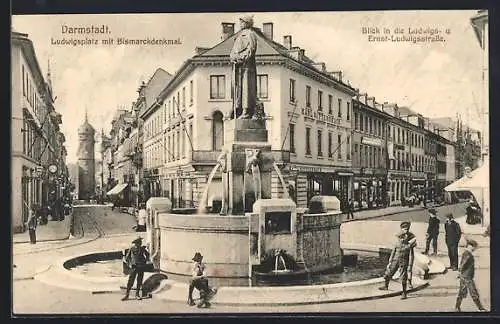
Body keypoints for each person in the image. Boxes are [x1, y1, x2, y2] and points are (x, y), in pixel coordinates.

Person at [379, 223, 416, 299]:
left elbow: (411, 254)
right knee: (388, 273)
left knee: (403, 277)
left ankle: (404, 293)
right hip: (395, 260)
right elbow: (393, 252)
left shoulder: (409, 245)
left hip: (404, 261)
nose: (402, 238)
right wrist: (390, 262)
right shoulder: (397, 243)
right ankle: (386, 286)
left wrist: (410, 264)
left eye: (404, 237)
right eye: (401, 237)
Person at [230, 15, 258, 119]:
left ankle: (246, 111)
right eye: (240, 22)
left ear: (247, 23)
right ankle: (240, 109)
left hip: (247, 66)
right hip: (238, 67)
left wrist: (240, 58)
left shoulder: (250, 34)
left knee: (247, 88)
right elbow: (233, 51)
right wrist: (233, 57)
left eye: (242, 22)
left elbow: (251, 50)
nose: (240, 24)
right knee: (238, 89)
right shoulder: (239, 36)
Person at [454, 239, 486, 312]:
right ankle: (480, 308)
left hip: (465, 276)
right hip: (467, 277)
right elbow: (462, 264)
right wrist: (459, 272)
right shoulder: (467, 254)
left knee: (462, 292)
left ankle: (457, 307)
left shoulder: (466, 253)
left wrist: (460, 273)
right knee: (473, 292)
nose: (475, 249)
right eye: (474, 247)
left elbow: (462, 265)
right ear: (470, 246)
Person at [121, 237, 150, 301]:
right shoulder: (132, 249)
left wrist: (146, 260)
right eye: (139, 242)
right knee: (130, 281)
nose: (140, 243)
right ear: (136, 243)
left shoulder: (142, 249)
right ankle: (127, 295)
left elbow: (147, 254)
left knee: (139, 280)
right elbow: (127, 257)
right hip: (134, 267)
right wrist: (130, 264)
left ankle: (137, 294)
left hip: (141, 266)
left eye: (140, 242)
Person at [399, 221, 417, 289]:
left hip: (410, 253)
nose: (406, 230)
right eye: (404, 228)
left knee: (409, 268)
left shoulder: (411, 235)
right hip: (403, 254)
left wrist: (410, 244)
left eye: (407, 229)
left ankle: (409, 282)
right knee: (403, 269)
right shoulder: (400, 235)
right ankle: (403, 281)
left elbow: (415, 243)